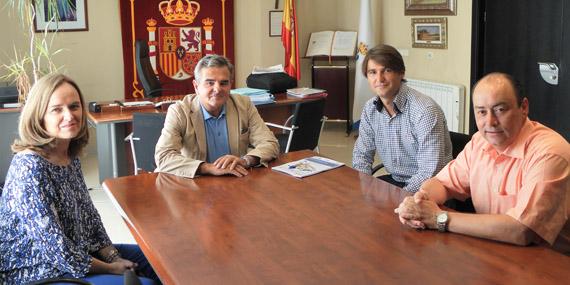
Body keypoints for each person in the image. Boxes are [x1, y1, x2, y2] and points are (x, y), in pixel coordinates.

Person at [0, 74, 160, 284]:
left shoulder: (69, 157)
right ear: (39, 116)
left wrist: (114, 256)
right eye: (57, 109)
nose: (69, 115)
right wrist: (111, 268)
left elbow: (90, 218)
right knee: (143, 283)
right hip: (39, 271)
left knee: (160, 262)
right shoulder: (29, 166)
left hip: (80, 253)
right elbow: (55, 248)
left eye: (74, 106)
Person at [395, 73, 570, 251]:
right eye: (481, 111)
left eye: (500, 110)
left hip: (552, 262)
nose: (490, 122)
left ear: (523, 107)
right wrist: (421, 200)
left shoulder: (549, 153)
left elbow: (522, 230)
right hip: (494, 249)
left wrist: (439, 218)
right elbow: (443, 184)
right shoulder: (480, 142)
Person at [155, 54, 279, 178]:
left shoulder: (244, 104)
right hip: (195, 183)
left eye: (224, 83)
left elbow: (270, 143)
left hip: (236, 180)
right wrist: (208, 168)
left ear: (230, 85)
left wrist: (246, 160)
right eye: (210, 83)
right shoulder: (179, 111)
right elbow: (164, 156)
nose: (217, 89)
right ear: (196, 86)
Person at [352, 44, 452, 192]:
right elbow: (361, 156)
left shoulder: (425, 111)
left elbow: (430, 171)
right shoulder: (370, 109)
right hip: (395, 181)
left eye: (387, 70)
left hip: (432, 188)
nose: (379, 79)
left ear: (401, 73)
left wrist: (400, 199)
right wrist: (365, 189)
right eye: (373, 72)